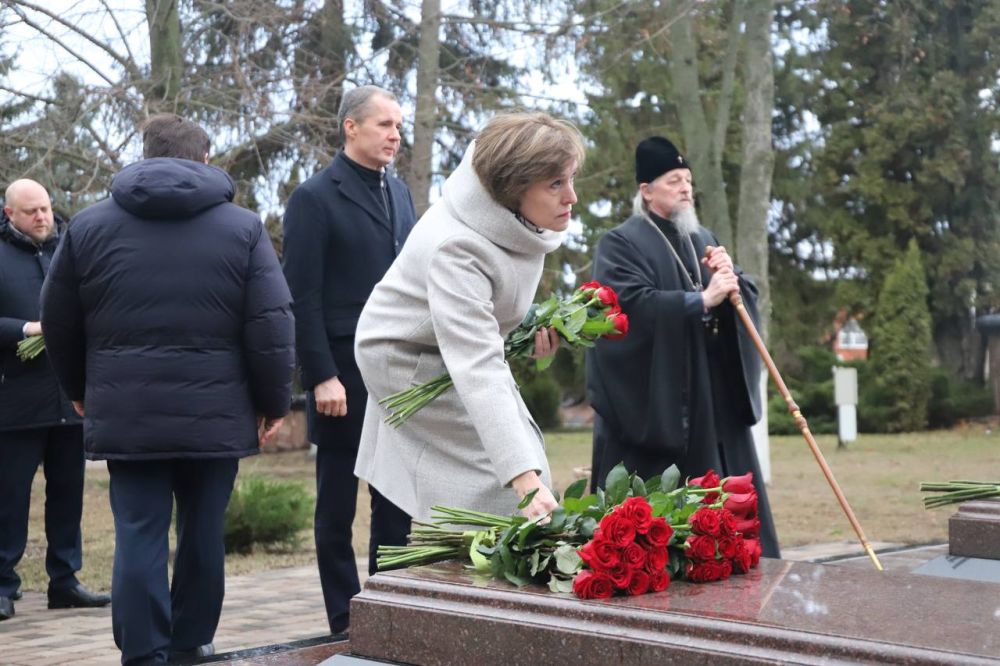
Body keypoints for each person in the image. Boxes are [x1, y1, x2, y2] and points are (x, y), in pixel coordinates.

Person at [40, 114, 295, 664]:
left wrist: (79, 388)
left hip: (127, 410)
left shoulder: (86, 227)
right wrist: (274, 401)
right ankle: (190, 641)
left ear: (146, 155)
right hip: (217, 409)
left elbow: (57, 319)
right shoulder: (244, 228)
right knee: (203, 531)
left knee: (138, 532)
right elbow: (272, 325)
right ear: (204, 160)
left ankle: (143, 650)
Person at [353, 111, 581, 532]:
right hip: (406, 359)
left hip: (449, 345)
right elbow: (477, 364)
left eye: (570, 180)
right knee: (505, 483)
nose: (572, 197)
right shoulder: (457, 248)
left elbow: (484, 315)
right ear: (514, 187)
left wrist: (521, 334)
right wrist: (523, 479)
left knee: (520, 460)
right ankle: (468, 585)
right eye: (555, 184)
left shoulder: (513, 221)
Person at [586, 135, 780, 558]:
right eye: (674, 180)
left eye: (688, 180)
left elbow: (735, 294)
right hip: (662, 403)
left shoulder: (702, 237)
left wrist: (733, 285)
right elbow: (625, 309)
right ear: (646, 190)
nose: (686, 188)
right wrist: (700, 301)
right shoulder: (620, 243)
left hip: (711, 398)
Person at [282, 85, 417, 637]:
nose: (394, 135)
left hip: (398, 373)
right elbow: (301, 295)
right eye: (384, 124)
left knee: (396, 500)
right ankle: (345, 616)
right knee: (336, 506)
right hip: (341, 375)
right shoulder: (314, 198)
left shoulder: (402, 193)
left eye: (399, 127)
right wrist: (320, 375)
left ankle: (390, 605)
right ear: (351, 128)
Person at [0, 179, 110, 622]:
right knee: (10, 499)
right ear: (10, 215)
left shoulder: (71, 251)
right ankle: (3, 584)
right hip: (16, 403)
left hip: (70, 399)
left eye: (46, 209)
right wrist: (27, 329)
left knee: (68, 496)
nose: (43, 218)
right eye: (32, 212)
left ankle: (65, 581)